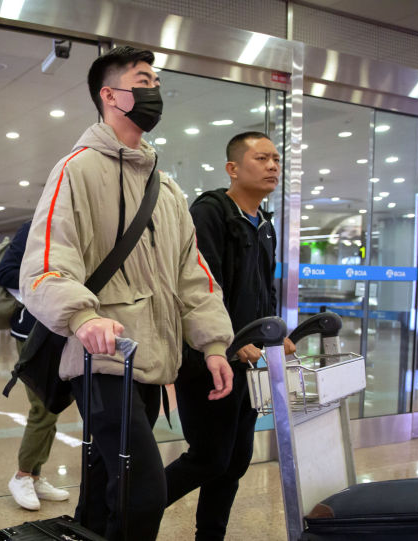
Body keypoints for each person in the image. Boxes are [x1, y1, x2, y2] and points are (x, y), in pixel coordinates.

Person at [19, 46, 235, 540]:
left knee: (105, 490)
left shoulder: (168, 190)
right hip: (101, 360)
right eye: (143, 81)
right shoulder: (76, 170)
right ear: (110, 95)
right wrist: (83, 317)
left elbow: (192, 275)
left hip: (152, 361)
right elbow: (44, 267)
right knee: (143, 492)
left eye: (156, 82)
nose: (154, 90)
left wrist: (214, 343)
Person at [163, 132, 296, 540]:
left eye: (276, 159)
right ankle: (125, 511)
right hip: (209, 358)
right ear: (232, 169)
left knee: (235, 460)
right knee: (208, 458)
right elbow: (203, 287)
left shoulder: (265, 225)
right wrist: (230, 340)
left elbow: (263, 288)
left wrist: (273, 332)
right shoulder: (210, 213)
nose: (273, 166)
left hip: (248, 362)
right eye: (262, 158)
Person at [0, 221, 70, 511]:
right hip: (34, 332)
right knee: (42, 406)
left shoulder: (81, 225)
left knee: (54, 404)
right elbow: (5, 272)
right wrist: (52, 281)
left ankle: (36, 475)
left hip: (65, 329)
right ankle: (23, 474)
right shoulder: (38, 226)